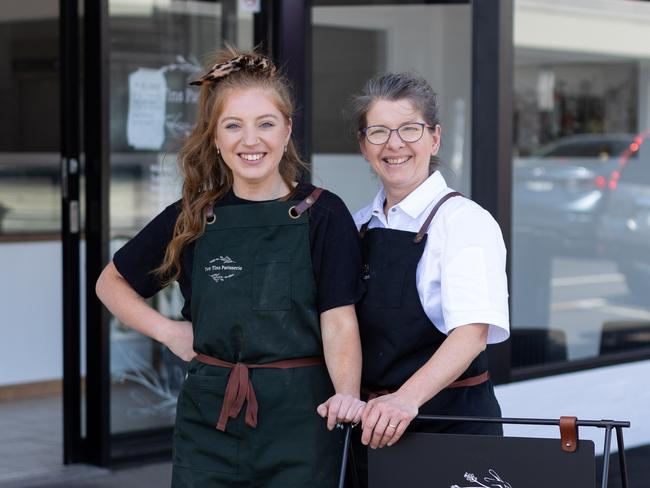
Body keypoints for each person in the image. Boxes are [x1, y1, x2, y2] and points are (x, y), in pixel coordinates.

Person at [96, 48, 365, 487]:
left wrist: (348, 397)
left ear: (287, 130)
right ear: (216, 138)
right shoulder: (192, 216)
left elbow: (338, 320)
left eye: (265, 124)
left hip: (303, 423)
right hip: (209, 423)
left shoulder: (324, 213)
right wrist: (167, 331)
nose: (250, 140)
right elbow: (111, 282)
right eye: (233, 125)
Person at [350, 73, 510, 482]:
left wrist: (405, 400)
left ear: (434, 139)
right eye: (379, 131)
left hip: (451, 430)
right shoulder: (357, 226)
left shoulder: (465, 223)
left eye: (409, 129)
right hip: (374, 431)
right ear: (363, 145)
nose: (394, 143)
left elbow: (471, 333)